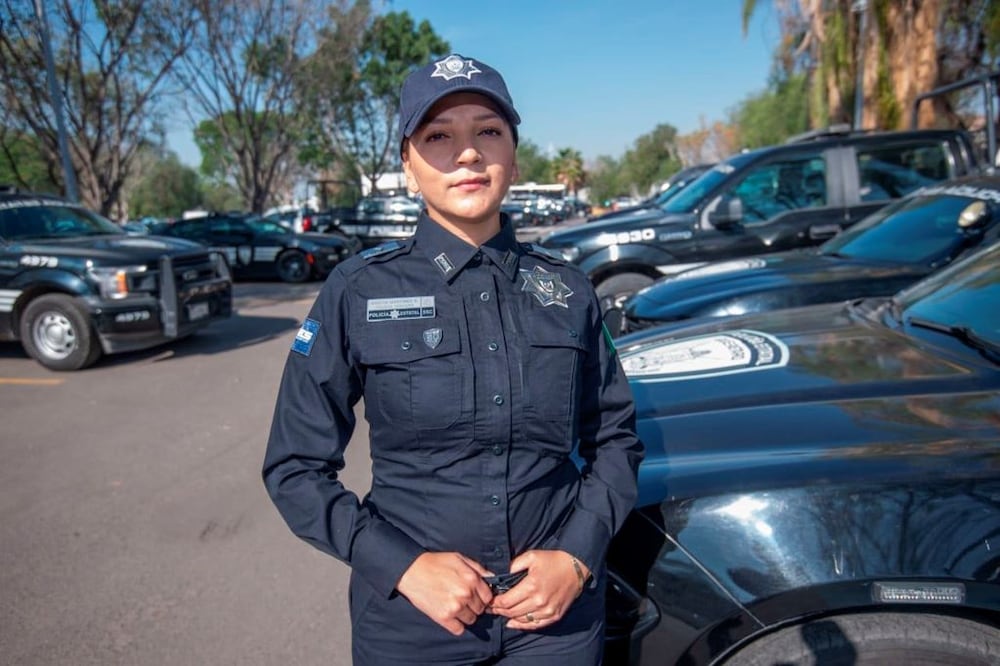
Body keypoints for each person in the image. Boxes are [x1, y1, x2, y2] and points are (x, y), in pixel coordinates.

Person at [262, 53, 643, 665]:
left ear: (513, 158)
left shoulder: (568, 290)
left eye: (487, 131)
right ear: (408, 166)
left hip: (556, 624)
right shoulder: (359, 291)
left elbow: (616, 440)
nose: (467, 153)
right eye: (438, 136)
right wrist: (403, 566)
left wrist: (577, 555)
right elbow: (295, 467)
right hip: (413, 624)